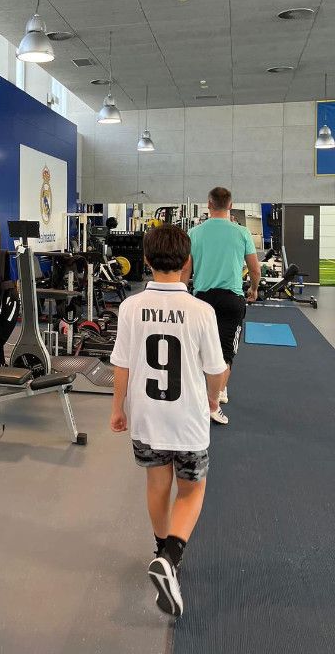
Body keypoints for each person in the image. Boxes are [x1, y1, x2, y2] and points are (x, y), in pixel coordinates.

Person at [110, 225, 226, 617]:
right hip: (188, 421)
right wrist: (214, 396)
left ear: (144, 260)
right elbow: (216, 370)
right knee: (192, 490)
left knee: (157, 484)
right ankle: (171, 557)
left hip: (147, 417)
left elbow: (121, 364)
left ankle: (161, 550)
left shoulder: (130, 307)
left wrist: (117, 408)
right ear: (187, 262)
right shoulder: (201, 311)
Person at [182, 187, 261, 424]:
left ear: (208, 204)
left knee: (199, 350)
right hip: (231, 299)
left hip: (201, 299)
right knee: (225, 352)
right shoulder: (242, 232)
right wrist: (254, 289)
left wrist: (182, 293)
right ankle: (213, 402)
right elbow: (255, 269)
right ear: (230, 204)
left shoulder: (194, 232)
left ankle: (210, 395)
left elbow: (186, 269)